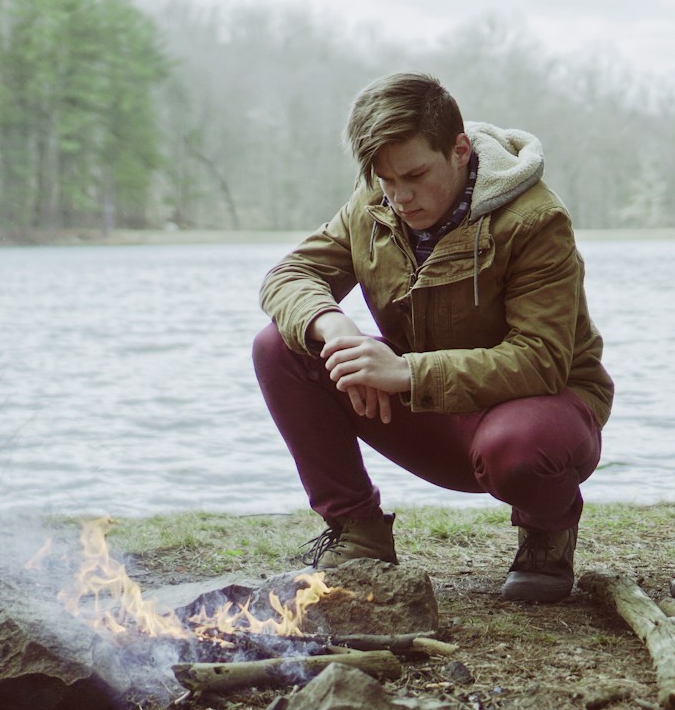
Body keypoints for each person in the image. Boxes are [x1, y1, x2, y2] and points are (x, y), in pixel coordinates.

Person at [253, 72, 612, 602]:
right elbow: (288, 277)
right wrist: (334, 328)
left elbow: (541, 360)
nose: (400, 196)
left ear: (460, 150)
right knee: (280, 346)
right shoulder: (372, 202)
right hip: (431, 408)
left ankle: (546, 529)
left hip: (536, 415)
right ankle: (359, 532)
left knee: (519, 448)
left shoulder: (536, 220)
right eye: (386, 178)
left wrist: (404, 372)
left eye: (415, 175)